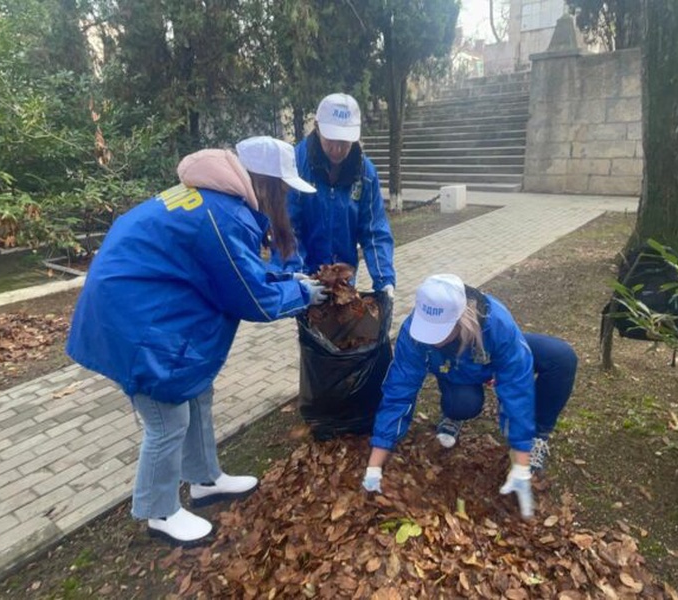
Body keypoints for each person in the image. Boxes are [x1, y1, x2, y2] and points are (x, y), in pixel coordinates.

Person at [66, 136, 328, 547]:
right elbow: (250, 297)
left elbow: (230, 272)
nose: (286, 203)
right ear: (267, 184)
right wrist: (301, 295)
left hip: (141, 306)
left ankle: (205, 478)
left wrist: (287, 279)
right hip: (132, 321)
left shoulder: (211, 201)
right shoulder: (223, 217)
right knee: (167, 419)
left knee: (196, 392)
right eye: (283, 192)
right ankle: (159, 511)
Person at [360, 274, 578, 518]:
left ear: (460, 318)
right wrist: (374, 465)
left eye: (439, 332)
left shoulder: (496, 325)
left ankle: (538, 436)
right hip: (455, 369)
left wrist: (521, 460)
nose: (432, 340)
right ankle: (453, 415)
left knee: (561, 357)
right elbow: (398, 392)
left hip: (489, 351)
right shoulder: (414, 333)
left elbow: (517, 392)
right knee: (462, 405)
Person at [271, 93, 396, 297]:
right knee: (311, 327)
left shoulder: (365, 174)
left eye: (345, 142)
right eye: (331, 140)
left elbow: (374, 231)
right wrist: (298, 276)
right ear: (318, 128)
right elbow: (287, 227)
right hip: (308, 277)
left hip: (345, 279)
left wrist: (384, 280)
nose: (337, 149)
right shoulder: (295, 165)